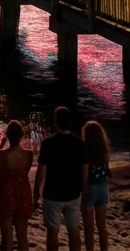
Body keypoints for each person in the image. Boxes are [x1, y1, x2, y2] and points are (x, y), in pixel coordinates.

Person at [35, 106, 86, 251]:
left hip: (52, 194)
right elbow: (84, 171)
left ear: (56, 122)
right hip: (73, 194)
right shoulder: (79, 144)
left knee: (52, 232)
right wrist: (83, 189)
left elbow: (41, 171)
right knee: (74, 230)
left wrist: (36, 191)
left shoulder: (48, 144)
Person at [0, 121, 34, 251]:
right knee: (23, 237)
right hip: (23, 192)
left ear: (8, 136)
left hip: (6, 192)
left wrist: (1, 145)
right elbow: (25, 171)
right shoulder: (29, 154)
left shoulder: (2, 154)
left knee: (7, 237)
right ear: (21, 136)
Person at [80, 121, 111, 251]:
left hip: (90, 188)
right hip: (103, 187)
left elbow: (85, 172)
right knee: (102, 226)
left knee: (89, 228)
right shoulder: (104, 150)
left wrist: (81, 188)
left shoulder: (85, 150)